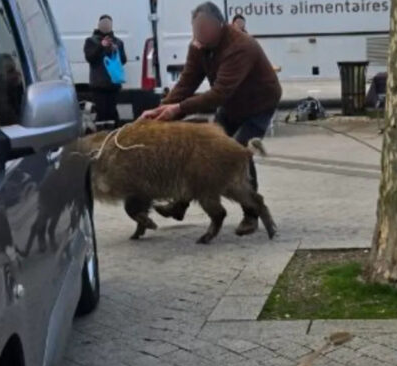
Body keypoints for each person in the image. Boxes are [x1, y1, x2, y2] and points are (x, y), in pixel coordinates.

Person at [140, 2, 281, 236]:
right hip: (231, 105)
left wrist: (177, 110)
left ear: (220, 25)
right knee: (202, 152)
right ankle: (180, 204)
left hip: (258, 104)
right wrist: (161, 109)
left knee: (238, 152)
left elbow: (219, 93)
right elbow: (187, 82)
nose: (198, 36)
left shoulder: (241, 45)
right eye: (196, 30)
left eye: (204, 30)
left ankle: (251, 214)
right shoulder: (199, 46)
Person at [84, 15, 127, 127]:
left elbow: (123, 60)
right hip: (99, 84)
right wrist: (100, 46)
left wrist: (116, 51)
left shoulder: (118, 42)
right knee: (102, 113)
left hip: (113, 83)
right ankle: (102, 135)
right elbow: (90, 58)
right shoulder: (91, 41)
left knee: (112, 112)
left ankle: (114, 134)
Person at [0, 53, 24, 126]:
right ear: (0, 75)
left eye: (15, 69)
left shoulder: (14, 88)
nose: (17, 73)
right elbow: (11, 121)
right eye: (11, 71)